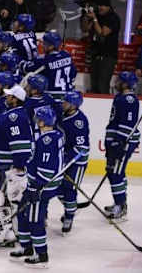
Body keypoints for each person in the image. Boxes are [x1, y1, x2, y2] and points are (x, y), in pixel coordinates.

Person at [10, 106, 64, 268]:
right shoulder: (55, 135)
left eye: (37, 119)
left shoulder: (46, 140)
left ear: (42, 122)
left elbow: (47, 169)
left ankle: (41, 256)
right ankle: (26, 248)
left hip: (41, 187)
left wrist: (36, 187)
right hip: (40, 184)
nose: (35, 121)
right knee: (23, 212)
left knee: (35, 219)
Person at [0, 84, 32, 248]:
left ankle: (2, 233)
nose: (6, 97)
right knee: (2, 200)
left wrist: (18, 169)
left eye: (9, 96)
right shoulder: (14, 114)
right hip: (7, 166)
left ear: (16, 99)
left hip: (9, 168)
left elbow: (20, 145)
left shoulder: (14, 117)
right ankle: (9, 233)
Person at [104, 71, 140, 221]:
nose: (116, 82)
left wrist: (118, 144)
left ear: (126, 84)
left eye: (120, 80)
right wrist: (110, 143)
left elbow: (128, 124)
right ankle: (120, 202)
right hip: (116, 142)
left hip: (123, 142)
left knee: (116, 173)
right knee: (114, 172)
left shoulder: (130, 100)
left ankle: (121, 206)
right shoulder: (120, 97)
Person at [58, 90, 90, 233]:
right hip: (63, 158)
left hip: (77, 162)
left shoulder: (79, 122)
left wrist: (66, 159)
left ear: (74, 105)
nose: (62, 103)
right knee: (57, 188)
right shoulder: (63, 114)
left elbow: (81, 148)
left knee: (69, 189)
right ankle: (71, 207)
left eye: (66, 102)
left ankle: (69, 215)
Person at [20, 31, 77, 102]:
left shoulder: (44, 59)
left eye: (45, 43)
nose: (43, 45)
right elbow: (73, 75)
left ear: (51, 46)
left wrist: (20, 61)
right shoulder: (67, 55)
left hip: (52, 97)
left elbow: (25, 68)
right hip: (68, 97)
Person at [85, 0, 120, 94]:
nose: (100, 7)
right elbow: (85, 29)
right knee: (94, 86)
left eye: (102, 5)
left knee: (102, 85)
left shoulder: (113, 18)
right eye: (98, 5)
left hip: (108, 57)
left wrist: (95, 19)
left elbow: (102, 33)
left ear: (108, 6)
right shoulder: (97, 16)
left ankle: (104, 108)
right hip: (95, 55)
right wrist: (86, 16)